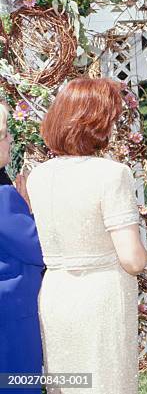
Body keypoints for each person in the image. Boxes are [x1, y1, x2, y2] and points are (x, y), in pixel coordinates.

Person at [26, 78, 147, 394]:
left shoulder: (37, 176)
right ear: (99, 123)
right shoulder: (111, 174)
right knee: (106, 384)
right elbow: (133, 260)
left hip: (56, 293)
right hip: (101, 298)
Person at [0, 101, 44, 394]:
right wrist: (30, 205)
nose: (11, 140)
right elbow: (37, 248)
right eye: (5, 134)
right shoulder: (3, 195)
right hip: (9, 312)